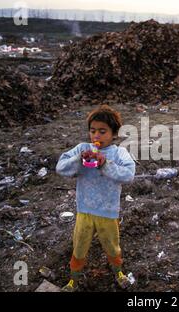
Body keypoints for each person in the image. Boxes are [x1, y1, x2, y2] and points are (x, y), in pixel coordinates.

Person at [56, 105, 135, 291]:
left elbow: (128, 175)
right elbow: (61, 167)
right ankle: (73, 280)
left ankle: (118, 272)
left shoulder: (118, 153)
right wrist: (78, 159)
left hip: (107, 211)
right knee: (79, 246)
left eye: (102, 131)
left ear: (114, 133)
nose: (96, 136)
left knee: (112, 246)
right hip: (85, 209)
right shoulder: (83, 148)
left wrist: (105, 163)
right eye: (93, 131)